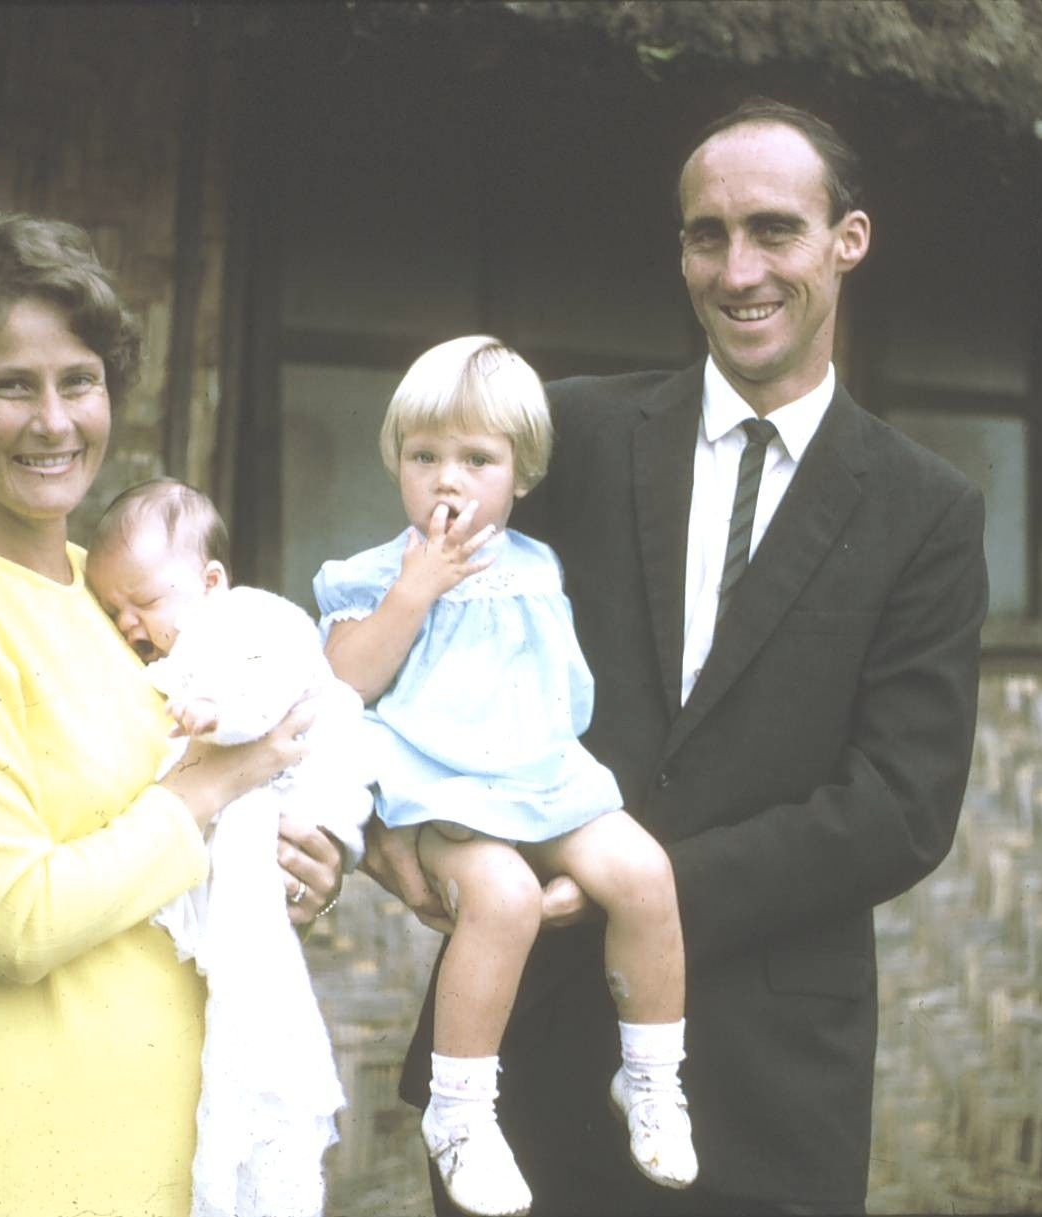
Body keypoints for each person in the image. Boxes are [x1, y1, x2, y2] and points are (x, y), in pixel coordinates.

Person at [360, 98, 989, 1215]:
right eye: (709, 235)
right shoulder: (565, 435)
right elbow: (411, 623)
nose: (738, 270)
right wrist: (380, 826)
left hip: (769, 1075)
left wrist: (628, 884)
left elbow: (901, 806)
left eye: (774, 230)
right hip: (529, 1054)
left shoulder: (925, 510)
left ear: (848, 240)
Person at [0, 214, 342, 1217]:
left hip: (175, 1159)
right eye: (11, 385)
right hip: (22, 1167)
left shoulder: (122, 600)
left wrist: (296, 863)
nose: (54, 421)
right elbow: (15, 920)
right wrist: (215, 786)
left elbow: (206, 815)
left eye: (78, 380)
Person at [315, 336, 699, 1217]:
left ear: (521, 473)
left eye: (476, 460)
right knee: (505, 896)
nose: (447, 480)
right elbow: (341, 684)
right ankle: (460, 1111)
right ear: (395, 461)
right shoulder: (370, 575)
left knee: (646, 872)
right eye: (424, 456)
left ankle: (651, 1075)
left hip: (541, 774)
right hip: (440, 786)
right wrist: (413, 592)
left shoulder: (537, 566)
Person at [85, 477, 375, 1217]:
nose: (128, 623)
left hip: (303, 789)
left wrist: (219, 716)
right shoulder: (161, 656)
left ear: (210, 581)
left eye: (143, 601)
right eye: (114, 611)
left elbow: (279, 687)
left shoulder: (250, 618)